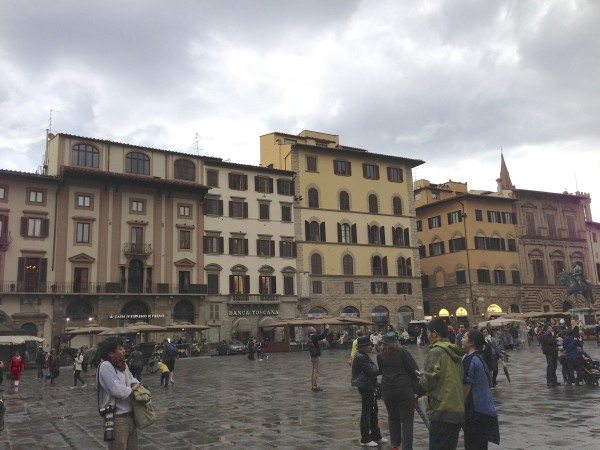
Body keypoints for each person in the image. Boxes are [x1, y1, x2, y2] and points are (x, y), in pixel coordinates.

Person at [418, 318, 464, 450]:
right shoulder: (454, 351)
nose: (427, 336)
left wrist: (421, 377)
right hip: (457, 410)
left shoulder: (436, 352)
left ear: (434, 333)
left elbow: (428, 383)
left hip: (441, 411)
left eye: (427, 333)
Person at [377, 332, 420, 450]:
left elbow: (381, 370)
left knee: (392, 417)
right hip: (404, 388)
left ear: (384, 343)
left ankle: (395, 445)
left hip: (387, 389)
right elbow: (413, 369)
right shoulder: (403, 352)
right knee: (407, 420)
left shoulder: (380, 355)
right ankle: (407, 447)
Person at [97, 337, 139, 449]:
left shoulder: (123, 364)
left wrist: (135, 385)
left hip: (130, 415)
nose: (124, 351)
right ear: (111, 352)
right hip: (116, 418)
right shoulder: (106, 366)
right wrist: (134, 390)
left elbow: (133, 380)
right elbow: (117, 390)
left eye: (123, 348)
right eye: (120, 349)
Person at [461, 329, 500, 449]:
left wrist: (459, 404)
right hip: (485, 409)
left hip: (474, 410)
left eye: (464, 337)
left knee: (473, 445)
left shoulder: (469, 359)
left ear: (471, 342)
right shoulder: (480, 357)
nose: (461, 339)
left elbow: (467, 385)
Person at [352, 335, 385, 447]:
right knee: (367, 412)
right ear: (363, 346)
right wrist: (382, 369)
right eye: (369, 345)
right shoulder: (361, 357)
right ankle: (365, 438)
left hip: (368, 385)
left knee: (373, 411)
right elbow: (371, 371)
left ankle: (376, 436)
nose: (371, 347)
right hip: (365, 386)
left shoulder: (363, 355)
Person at [308, 325, 329, 392]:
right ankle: (315, 387)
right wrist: (326, 328)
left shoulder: (310, 336)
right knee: (316, 371)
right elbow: (322, 336)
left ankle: (313, 386)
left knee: (314, 371)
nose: (315, 328)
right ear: (311, 330)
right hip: (315, 356)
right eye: (313, 328)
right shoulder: (313, 335)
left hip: (312, 356)